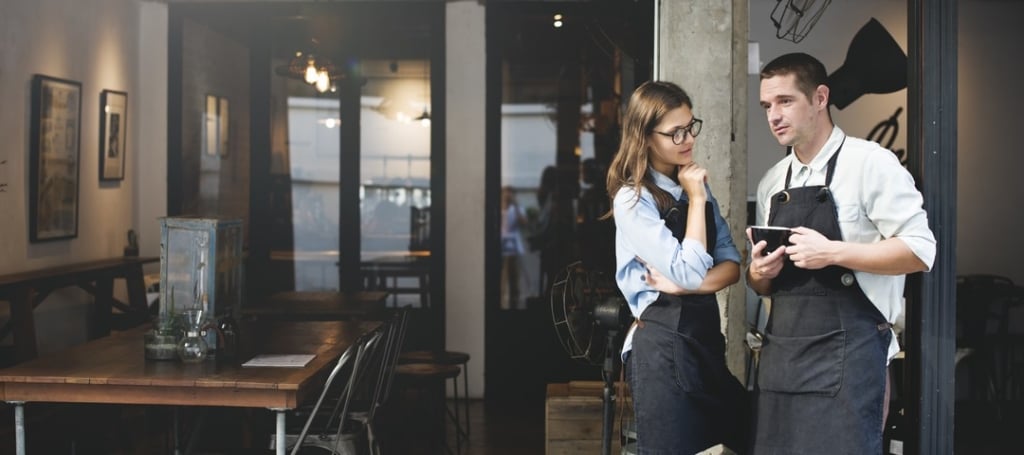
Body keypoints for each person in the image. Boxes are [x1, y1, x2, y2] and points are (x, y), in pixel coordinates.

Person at [747, 52, 936, 454]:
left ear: (819, 97)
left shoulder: (871, 164)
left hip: (848, 359)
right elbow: (762, 287)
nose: (773, 116)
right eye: (767, 106)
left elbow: (920, 251)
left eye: (785, 101)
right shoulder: (771, 183)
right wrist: (760, 271)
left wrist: (834, 252)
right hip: (782, 359)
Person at [606, 81, 748, 454]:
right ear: (645, 137)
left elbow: (732, 266)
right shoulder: (633, 199)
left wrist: (689, 287)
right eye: (675, 133)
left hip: (703, 344)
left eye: (690, 127)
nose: (688, 139)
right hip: (662, 351)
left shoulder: (692, 182)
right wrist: (698, 199)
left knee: (750, 432)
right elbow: (688, 269)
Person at [500, 186, 527, 310]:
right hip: (502, 247)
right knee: (502, 277)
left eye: (510, 193)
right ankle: (501, 303)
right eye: (506, 193)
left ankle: (514, 304)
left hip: (514, 248)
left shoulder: (517, 209)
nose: (508, 195)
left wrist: (515, 205)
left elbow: (524, 222)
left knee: (514, 277)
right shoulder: (499, 207)